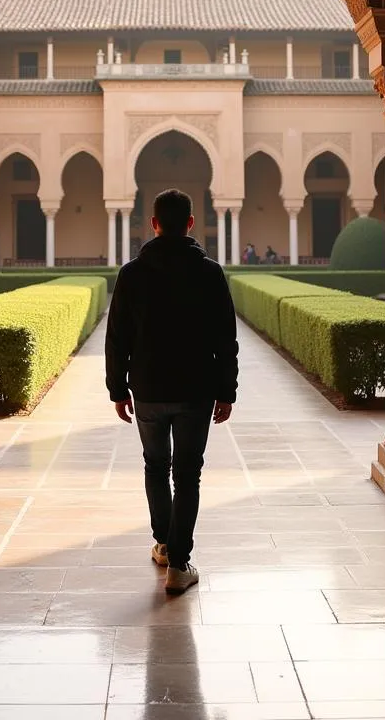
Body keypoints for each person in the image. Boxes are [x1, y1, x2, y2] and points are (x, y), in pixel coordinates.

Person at [105, 187, 239, 594]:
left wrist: (117, 388)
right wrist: (226, 391)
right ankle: (179, 564)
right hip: (196, 391)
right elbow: (225, 339)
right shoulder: (210, 273)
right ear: (191, 224)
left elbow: (117, 338)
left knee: (155, 466)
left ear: (154, 223)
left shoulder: (132, 274)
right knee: (187, 475)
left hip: (147, 389)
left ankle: (164, 544)